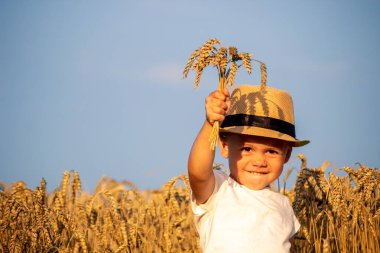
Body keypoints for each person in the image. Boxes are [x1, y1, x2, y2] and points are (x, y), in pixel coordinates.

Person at [188, 84, 309, 253]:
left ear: (287, 155)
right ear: (224, 146)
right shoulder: (219, 190)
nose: (259, 161)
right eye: (247, 149)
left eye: (271, 151)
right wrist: (210, 124)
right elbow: (197, 173)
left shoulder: (284, 205)